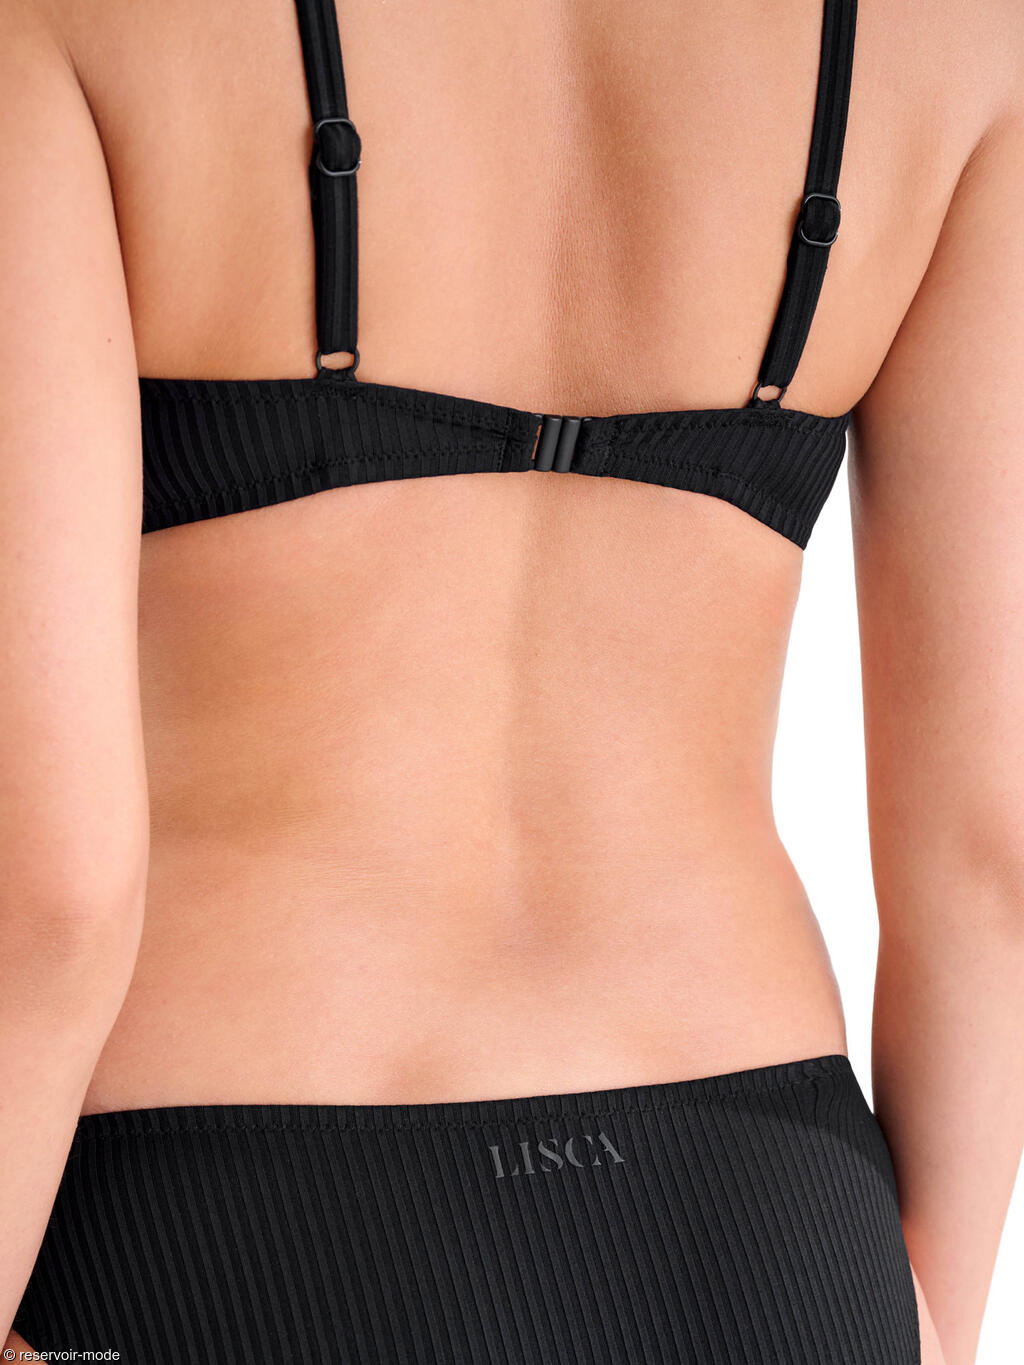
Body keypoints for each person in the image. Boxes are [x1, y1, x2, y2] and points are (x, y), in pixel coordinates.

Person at [1, 0, 1022, 1360]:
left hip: (229, 1219)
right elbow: (990, 850)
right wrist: (928, 1319)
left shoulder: (67, 21)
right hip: (762, 1221)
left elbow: (48, 885)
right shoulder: (964, 38)